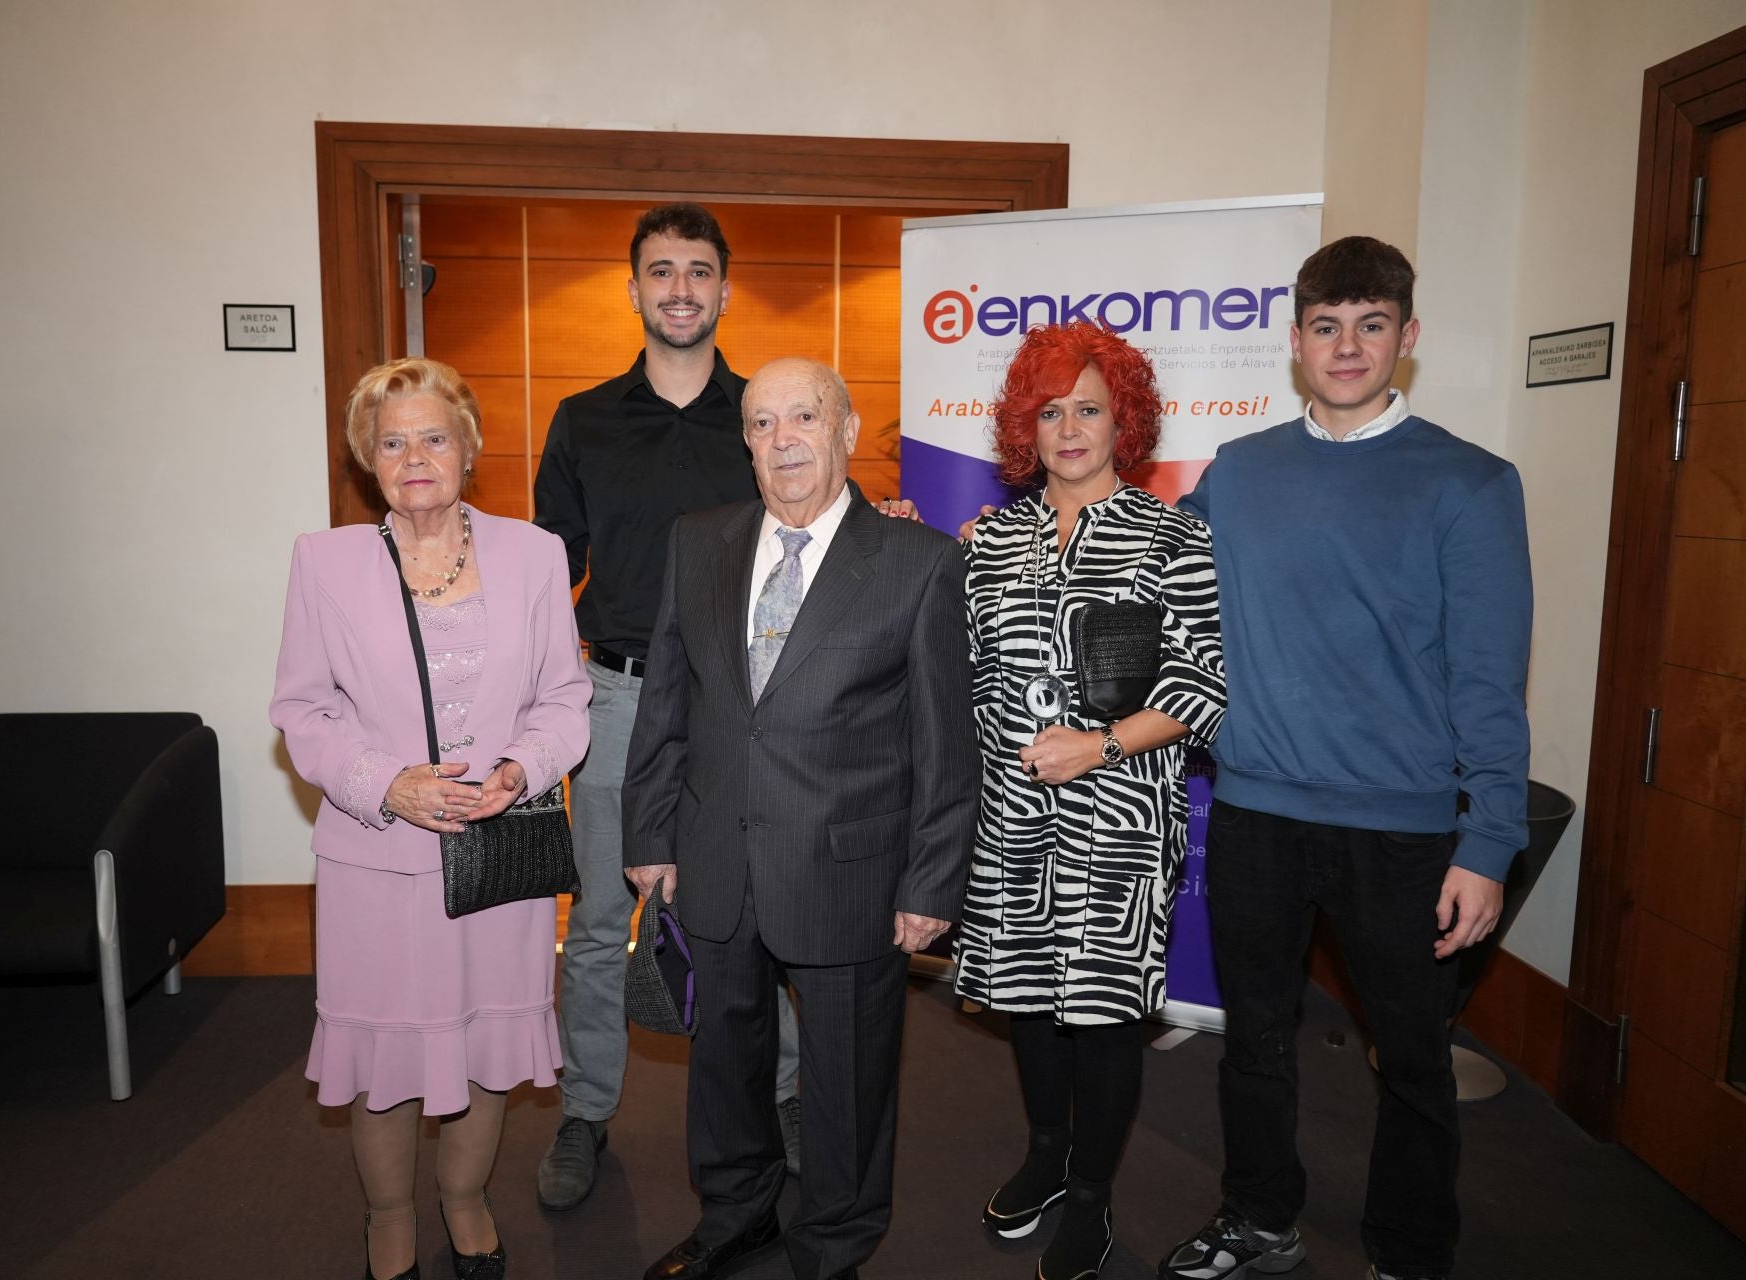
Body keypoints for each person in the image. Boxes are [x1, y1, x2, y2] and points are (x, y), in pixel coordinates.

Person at [1157, 237, 1531, 1280]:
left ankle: (1410, 1252)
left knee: (1411, 1060)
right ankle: (1259, 1215)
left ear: (1406, 338)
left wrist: (1490, 838)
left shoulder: (1469, 481)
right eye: (1326, 325)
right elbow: (1150, 573)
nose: (1348, 345)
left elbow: (1491, 678)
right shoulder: (1242, 471)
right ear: (1295, 343)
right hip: (1261, 813)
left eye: (1372, 324)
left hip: (1405, 831)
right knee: (1257, 1040)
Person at [531, 202, 916, 1208]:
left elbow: (837, 534)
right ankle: (586, 1107)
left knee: (761, 906)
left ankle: (785, 1090)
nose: (680, 288)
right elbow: (547, 568)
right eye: (661, 270)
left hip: (759, 715)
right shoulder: (583, 419)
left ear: (724, 289)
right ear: (634, 289)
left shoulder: (769, 410)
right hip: (622, 702)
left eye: (698, 270)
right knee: (604, 918)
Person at [622, 357, 979, 1280]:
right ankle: (737, 1213)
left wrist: (932, 882)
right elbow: (667, 701)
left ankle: (833, 1244)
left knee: (848, 1087)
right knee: (722, 1068)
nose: (783, 440)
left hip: (851, 870)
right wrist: (651, 837)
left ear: (848, 432)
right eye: (761, 423)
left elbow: (947, 744)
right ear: (744, 442)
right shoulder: (697, 541)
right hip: (713, 858)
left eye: (804, 418)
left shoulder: (921, 561)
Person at [271, 357, 590, 1280]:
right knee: (385, 1058)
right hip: (378, 859)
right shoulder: (322, 560)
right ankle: (389, 1220)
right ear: (368, 460)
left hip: (499, 855)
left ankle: (465, 1197)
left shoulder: (535, 552)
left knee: (491, 1045)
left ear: (471, 447)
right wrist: (387, 784)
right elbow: (302, 710)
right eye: (392, 440)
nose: (415, 455)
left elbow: (565, 700)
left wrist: (518, 769)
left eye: (434, 435)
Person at [955, 322, 1226, 1280]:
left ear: (1126, 419)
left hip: (1120, 823)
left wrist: (1101, 744)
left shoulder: (1173, 534)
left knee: (1104, 1014)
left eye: (1090, 408)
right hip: (1014, 821)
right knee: (1031, 1000)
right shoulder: (992, 541)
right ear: (1028, 425)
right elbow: (964, 672)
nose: (1069, 428)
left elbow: (1202, 687)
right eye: (1050, 410)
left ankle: (1097, 1197)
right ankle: (1045, 1154)